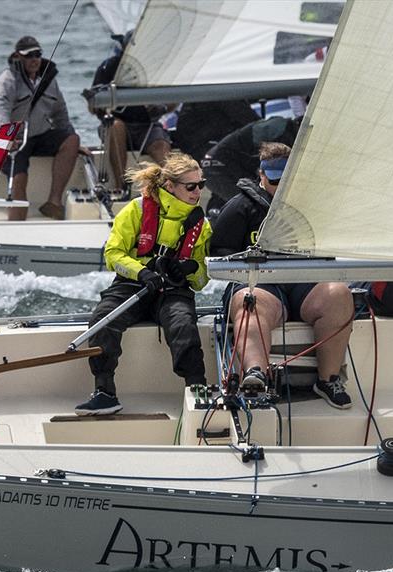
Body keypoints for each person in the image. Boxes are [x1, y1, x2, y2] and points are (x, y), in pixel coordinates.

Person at [210, 142, 354, 408]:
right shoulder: (240, 207)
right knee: (248, 302)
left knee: (339, 295)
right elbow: (219, 252)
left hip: (303, 282)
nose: (280, 187)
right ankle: (256, 376)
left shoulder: (313, 207)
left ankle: (328, 379)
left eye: (286, 181)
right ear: (261, 176)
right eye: (274, 181)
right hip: (262, 284)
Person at [75, 153, 212, 415]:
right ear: (170, 186)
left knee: (183, 324)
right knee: (103, 320)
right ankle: (104, 392)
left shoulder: (202, 225)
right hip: (132, 285)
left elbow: (202, 280)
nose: (198, 192)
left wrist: (190, 269)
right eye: (191, 186)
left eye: (201, 185)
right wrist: (142, 273)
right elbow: (113, 254)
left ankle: (197, 389)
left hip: (173, 290)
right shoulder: (136, 209)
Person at [0, 36, 81, 221]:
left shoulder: (48, 79)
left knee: (72, 140)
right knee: (19, 180)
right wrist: (7, 138)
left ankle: (53, 203)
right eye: (29, 56)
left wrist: (72, 137)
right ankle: (16, 223)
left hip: (38, 136)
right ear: (17, 57)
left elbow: (60, 111)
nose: (34, 59)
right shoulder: (7, 81)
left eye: (38, 54)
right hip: (12, 141)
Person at [88, 32, 172, 192]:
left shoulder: (155, 69)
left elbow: (171, 104)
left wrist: (160, 105)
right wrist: (104, 104)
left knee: (161, 145)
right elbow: (92, 106)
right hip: (117, 126)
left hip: (147, 126)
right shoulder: (109, 67)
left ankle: (171, 188)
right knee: (115, 126)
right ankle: (122, 186)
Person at [202, 116, 300, 206]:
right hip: (219, 167)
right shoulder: (282, 132)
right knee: (254, 204)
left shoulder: (281, 126)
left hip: (218, 165)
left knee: (255, 201)